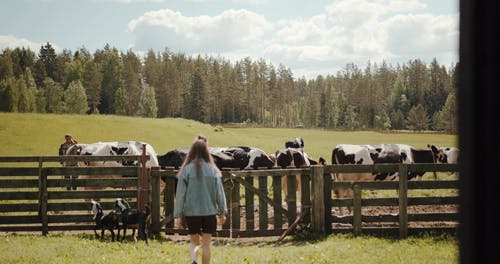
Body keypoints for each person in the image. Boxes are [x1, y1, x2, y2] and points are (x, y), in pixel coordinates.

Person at [173, 135, 227, 264]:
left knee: (194, 241)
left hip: (191, 213)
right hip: (209, 212)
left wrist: (178, 216)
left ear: (191, 151)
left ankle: (193, 260)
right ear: (206, 151)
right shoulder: (213, 170)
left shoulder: (186, 170)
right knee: (207, 244)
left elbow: (180, 195)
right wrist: (222, 212)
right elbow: (220, 193)